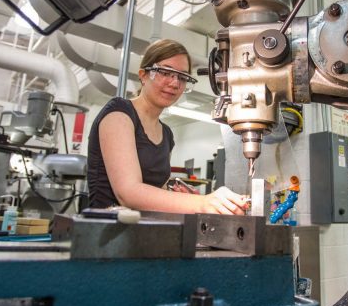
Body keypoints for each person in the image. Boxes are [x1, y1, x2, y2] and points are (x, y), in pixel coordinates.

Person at [87, 39, 246, 215]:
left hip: (144, 234)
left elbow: (155, 193)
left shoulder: (166, 134)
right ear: (143, 75)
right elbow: (128, 193)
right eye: (165, 72)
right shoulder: (119, 113)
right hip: (105, 232)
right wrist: (200, 202)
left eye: (182, 77)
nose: (174, 83)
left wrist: (180, 198)